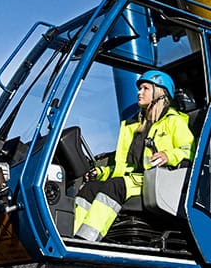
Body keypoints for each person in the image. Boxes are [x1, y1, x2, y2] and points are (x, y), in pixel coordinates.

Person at [73, 70, 195, 242]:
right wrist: (100, 172)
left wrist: (169, 155)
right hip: (132, 180)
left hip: (156, 180)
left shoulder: (174, 122)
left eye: (145, 88)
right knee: (90, 188)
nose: (139, 92)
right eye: (140, 88)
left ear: (160, 93)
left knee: (116, 186)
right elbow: (125, 167)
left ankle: (87, 241)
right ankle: (74, 238)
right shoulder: (133, 127)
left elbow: (189, 151)